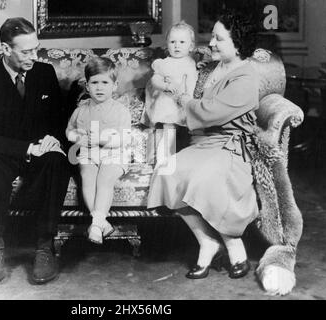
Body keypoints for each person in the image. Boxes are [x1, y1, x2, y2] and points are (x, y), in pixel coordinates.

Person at [147, 11, 259, 280]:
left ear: (238, 43)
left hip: (231, 147)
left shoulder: (247, 77)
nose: (211, 44)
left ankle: (233, 244)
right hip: (204, 142)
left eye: (219, 39)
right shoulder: (212, 67)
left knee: (204, 176)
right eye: (211, 38)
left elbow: (209, 111)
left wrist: (182, 96)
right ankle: (206, 241)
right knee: (167, 170)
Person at [0, 17, 70, 284]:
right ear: (5, 49)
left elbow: (59, 119)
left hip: (41, 152)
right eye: (26, 51)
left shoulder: (45, 73)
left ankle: (44, 246)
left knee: (58, 161)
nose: (34, 56)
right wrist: (28, 148)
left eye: (36, 48)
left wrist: (51, 140)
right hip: (5, 153)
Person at [66, 57, 131, 245]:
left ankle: (95, 224)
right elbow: (69, 129)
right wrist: (77, 138)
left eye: (105, 82)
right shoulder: (81, 109)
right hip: (88, 153)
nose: (99, 88)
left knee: (104, 180)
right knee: (87, 177)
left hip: (114, 154)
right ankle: (103, 223)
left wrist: (101, 139)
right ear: (87, 86)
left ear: (115, 85)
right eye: (95, 83)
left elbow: (124, 138)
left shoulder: (120, 110)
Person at [140, 21, 198, 166]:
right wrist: (165, 86)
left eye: (182, 42)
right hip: (167, 101)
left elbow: (192, 82)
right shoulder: (164, 63)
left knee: (185, 132)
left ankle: (181, 160)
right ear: (167, 44)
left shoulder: (191, 63)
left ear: (191, 46)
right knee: (168, 128)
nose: (176, 45)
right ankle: (164, 160)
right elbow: (155, 79)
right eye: (172, 42)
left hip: (184, 101)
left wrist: (189, 99)